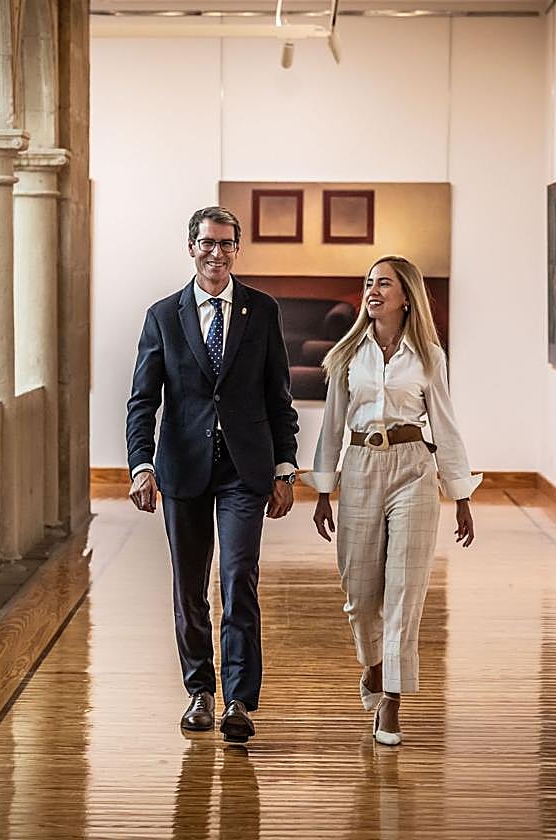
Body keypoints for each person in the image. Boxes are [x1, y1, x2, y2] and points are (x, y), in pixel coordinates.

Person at [126, 206, 300, 743]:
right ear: (191, 247)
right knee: (189, 587)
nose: (216, 253)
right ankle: (200, 691)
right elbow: (143, 401)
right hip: (183, 469)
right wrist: (141, 465)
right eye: (207, 243)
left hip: (245, 469)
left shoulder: (261, 311)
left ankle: (240, 701)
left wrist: (285, 467)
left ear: (237, 250)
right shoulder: (163, 315)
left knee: (239, 577)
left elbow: (279, 397)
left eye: (226, 244)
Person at [305, 255, 479, 746]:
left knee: (405, 591)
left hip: (413, 470)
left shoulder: (429, 356)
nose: (373, 290)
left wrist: (461, 495)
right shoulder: (346, 354)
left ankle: (392, 703)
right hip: (360, 466)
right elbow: (332, 426)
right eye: (369, 282)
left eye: (384, 283)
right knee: (360, 595)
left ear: (406, 297)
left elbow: (445, 424)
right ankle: (374, 666)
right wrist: (323, 491)